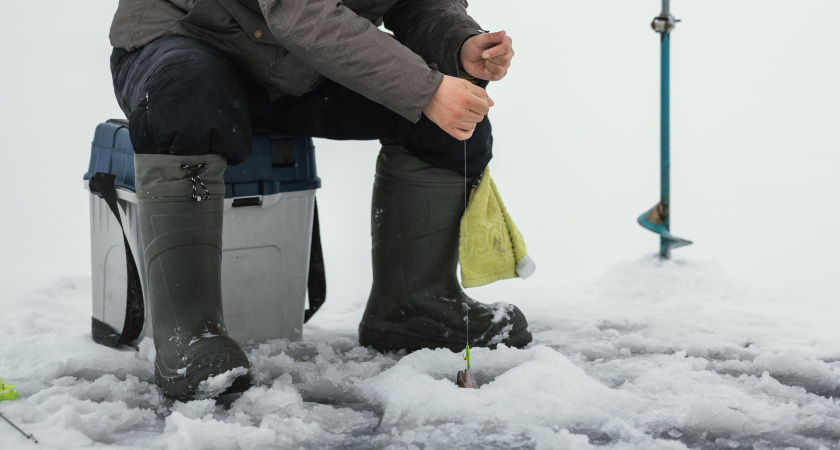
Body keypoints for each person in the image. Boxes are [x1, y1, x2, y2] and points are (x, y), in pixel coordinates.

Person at [108, 0, 532, 399]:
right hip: (186, 42)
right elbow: (301, 12)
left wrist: (459, 42)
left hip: (298, 66)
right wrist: (425, 89)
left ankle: (413, 308)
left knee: (450, 121)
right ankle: (189, 337)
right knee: (190, 98)